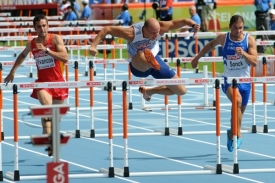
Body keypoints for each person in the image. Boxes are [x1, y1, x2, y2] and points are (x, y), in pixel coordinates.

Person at [4, 14, 69, 156]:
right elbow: (22, 55)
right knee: (47, 109)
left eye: (44, 25)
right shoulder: (32, 44)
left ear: (48, 26)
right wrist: (12, 72)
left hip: (59, 83)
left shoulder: (55, 38)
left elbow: (65, 57)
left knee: (54, 119)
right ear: (35, 28)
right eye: (39, 27)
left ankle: (48, 135)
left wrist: (47, 50)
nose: (42, 29)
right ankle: (51, 139)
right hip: (42, 83)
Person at [89, 18, 200, 101]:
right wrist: (93, 46)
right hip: (138, 65)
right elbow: (107, 29)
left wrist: (193, 24)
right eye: (153, 33)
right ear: (145, 29)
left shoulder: (162, 27)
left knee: (181, 90)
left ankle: (149, 91)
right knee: (141, 53)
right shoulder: (132, 33)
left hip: (154, 59)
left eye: (158, 32)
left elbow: (183, 21)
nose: (156, 35)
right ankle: (152, 63)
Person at [191, 15, 257, 152]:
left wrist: (243, 53)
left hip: (245, 81)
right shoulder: (224, 38)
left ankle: (231, 132)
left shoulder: (249, 39)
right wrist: (197, 58)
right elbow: (210, 45)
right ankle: (237, 135)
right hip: (228, 79)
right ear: (230, 27)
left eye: (240, 28)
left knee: (238, 113)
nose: (238, 31)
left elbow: (255, 62)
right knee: (237, 101)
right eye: (235, 28)